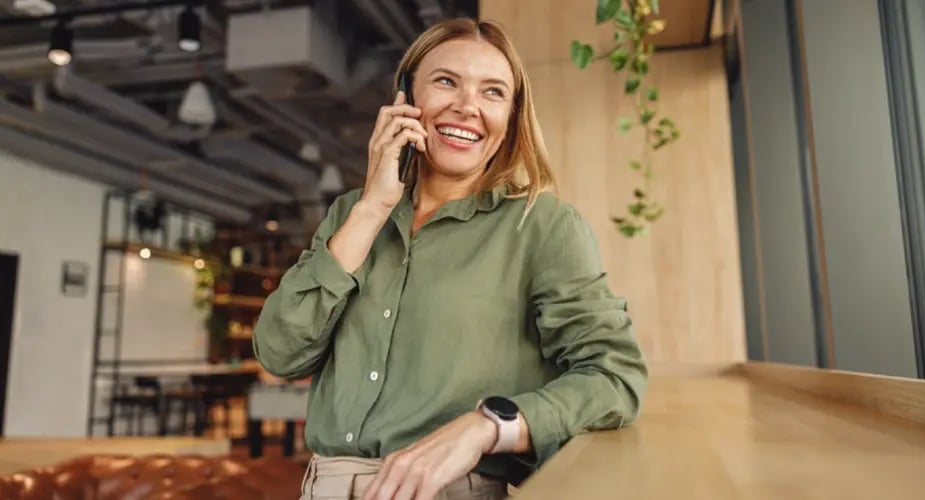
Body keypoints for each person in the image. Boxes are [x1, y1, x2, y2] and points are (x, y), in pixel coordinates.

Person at [252, 17, 648, 500]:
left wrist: (486, 425)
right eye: (446, 82)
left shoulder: (541, 226)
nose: (467, 107)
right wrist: (372, 208)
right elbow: (280, 354)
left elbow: (614, 377)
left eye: (493, 92)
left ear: (511, 119)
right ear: (405, 98)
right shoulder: (350, 216)